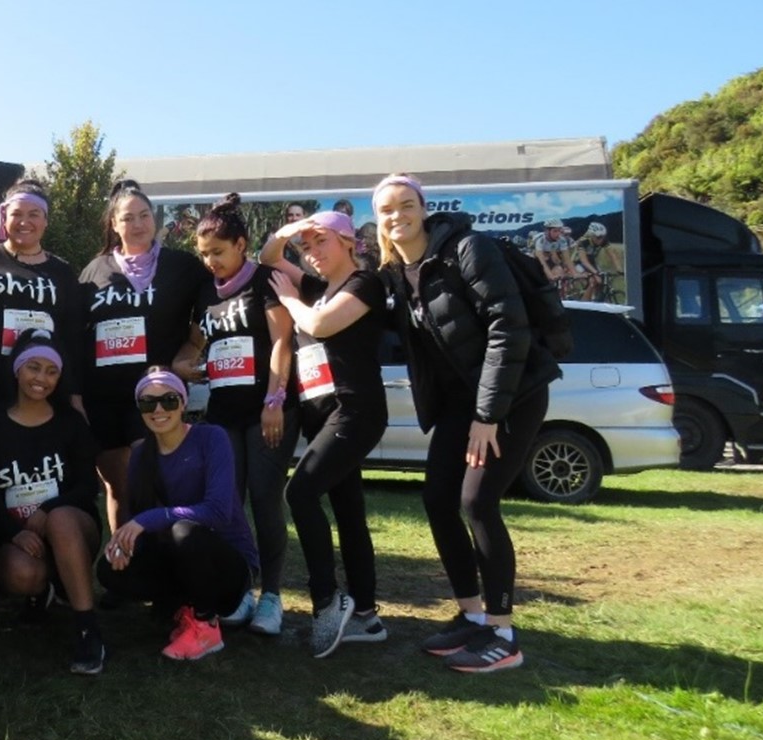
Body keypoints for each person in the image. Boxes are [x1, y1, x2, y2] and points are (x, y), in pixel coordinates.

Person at [372, 174, 560, 672]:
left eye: (406, 205)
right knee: (437, 500)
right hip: (461, 403)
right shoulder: (398, 272)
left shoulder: (468, 249)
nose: (397, 216)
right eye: (387, 209)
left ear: (423, 208)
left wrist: (487, 415)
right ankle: (472, 617)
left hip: (512, 397)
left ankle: (503, 633)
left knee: (477, 502)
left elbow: (508, 327)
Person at [266, 211, 390, 658]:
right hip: (323, 414)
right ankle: (367, 617)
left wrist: (291, 301)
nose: (313, 254)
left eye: (322, 243)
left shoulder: (364, 285)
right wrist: (288, 234)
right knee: (348, 509)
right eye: (307, 248)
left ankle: (327, 601)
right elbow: (268, 258)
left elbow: (318, 325)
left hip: (355, 412)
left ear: (348, 242)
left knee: (299, 494)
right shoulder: (317, 286)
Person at [173, 193, 298, 636]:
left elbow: (283, 341)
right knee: (228, 505)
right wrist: (182, 365)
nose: (211, 262)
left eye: (218, 252)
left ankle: (274, 597)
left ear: (241, 244)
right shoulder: (205, 291)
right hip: (223, 415)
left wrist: (274, 400)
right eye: (204, 254)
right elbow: (194, 342)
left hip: (267, 412)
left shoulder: (265, 280)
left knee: (265, 501)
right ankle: (243, 588)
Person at [97, 368, 255, 661]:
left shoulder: (211, 438)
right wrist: (123, 548)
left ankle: (206, 625)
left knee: (184, 531)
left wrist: (149, 519)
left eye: (168, 400)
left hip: (227, 567)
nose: (158, 409)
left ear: (183, 403)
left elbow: (219, 511)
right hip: (178, 558)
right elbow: (142, 522)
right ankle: (183, 607)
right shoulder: (141, 456)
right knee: (108, 570)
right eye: (147, 403)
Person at [0, 329, 104, 673]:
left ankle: (87, 627)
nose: (41, 379)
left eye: (52, 371)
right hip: (18, 534)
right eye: (33, 367)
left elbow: (87, 485)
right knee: (21, 574)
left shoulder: (71, 423)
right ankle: (44, 590)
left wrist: (47, 509)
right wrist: (13, 531)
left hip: (73, 527)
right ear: (17, 369)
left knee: (61, 518)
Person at [81, 180, 205, 532]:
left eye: (144, 215)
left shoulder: (182, 266)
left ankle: (158, 556)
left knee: (147, 474)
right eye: (128, 218)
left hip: (154, 392)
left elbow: (212, 310)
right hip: (102, 397)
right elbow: (78, 331)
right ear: (114, 224)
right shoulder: (94, 271)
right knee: (117, 486)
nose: (137, 224)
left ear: (154, 218)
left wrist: (190, 351)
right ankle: (124, 566)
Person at [0, 179, 86, 419]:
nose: (25, 222)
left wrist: (74, 396)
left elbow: (73, 338)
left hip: (41, 393)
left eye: (34, 214)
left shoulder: (62, 271)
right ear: (4, 218)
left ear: (46, 220)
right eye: (16, 214)